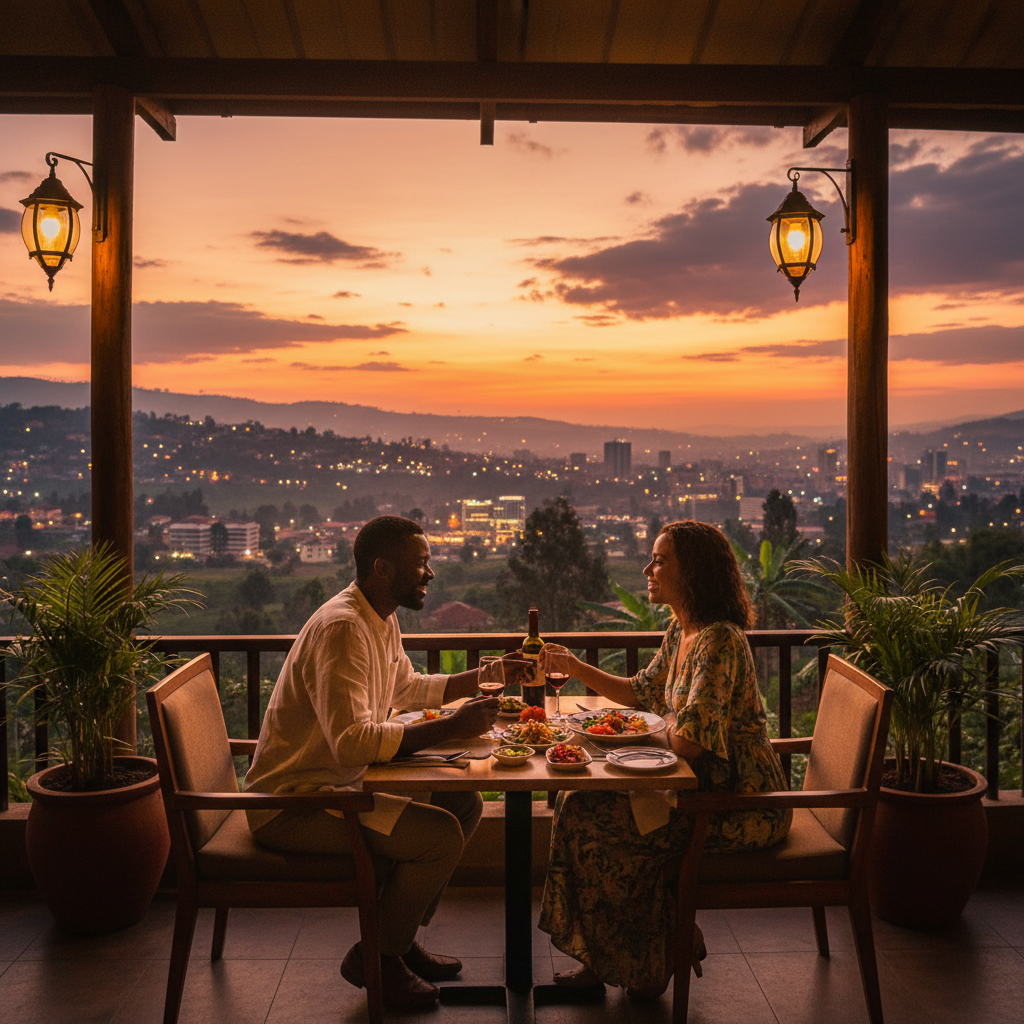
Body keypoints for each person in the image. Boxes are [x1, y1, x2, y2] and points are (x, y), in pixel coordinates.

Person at [245, 515, 515, 1011]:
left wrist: (484, 677)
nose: (430, 573)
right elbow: (351, 743)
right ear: (382, 568)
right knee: (439, 837)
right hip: (296, 803)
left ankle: (399, 933)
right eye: (421, 563)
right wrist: (453, 727)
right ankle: (378, 958)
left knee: (464, 803)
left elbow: (406, 689)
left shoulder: (379, 617)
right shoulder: (343, 628)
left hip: (339, 787)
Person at [537, 520, 791, 998]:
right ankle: (621, 953)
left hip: (740, 802)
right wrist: (573, 668)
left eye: (660, 560)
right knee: (575, 802)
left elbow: (690, 742)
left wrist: (661, 724)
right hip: (694, 787)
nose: (648, 569)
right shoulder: (683, 629)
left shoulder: (720, 640)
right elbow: (643, 693)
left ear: (691, 571)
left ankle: (654, 953)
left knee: (592, 817)